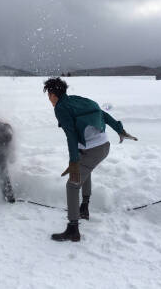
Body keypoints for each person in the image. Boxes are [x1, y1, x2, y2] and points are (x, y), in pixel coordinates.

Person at [44, 77, 137, 242]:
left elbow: (71, 136)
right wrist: (120, 130)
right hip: (103, 146)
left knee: (72, 185)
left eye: (49, 95)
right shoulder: (78, 100)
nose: (49, 99)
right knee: (84, 170)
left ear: (52, 95)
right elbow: (102, 113)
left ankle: (73, 229)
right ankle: (84, 208)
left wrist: (73, 162)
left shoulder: (61, 108)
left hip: (93, 150)